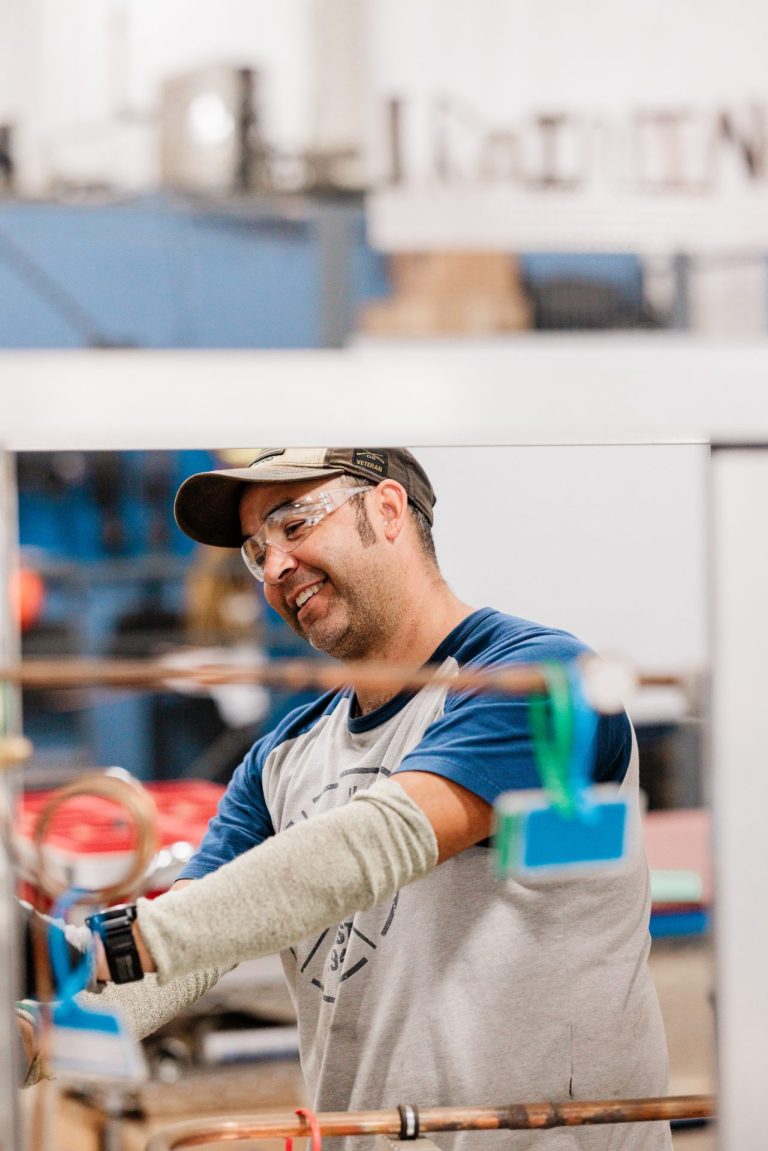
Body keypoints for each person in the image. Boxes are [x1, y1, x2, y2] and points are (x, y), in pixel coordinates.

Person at [26, 447, 671, 1150]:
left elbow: (380, 839)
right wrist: (32, 1036)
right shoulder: (281, 757)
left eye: (295, 523)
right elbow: (181, 953)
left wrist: (99, 945)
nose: (273, 569)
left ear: (388, 510)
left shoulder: (535, 681)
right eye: (255, 549)